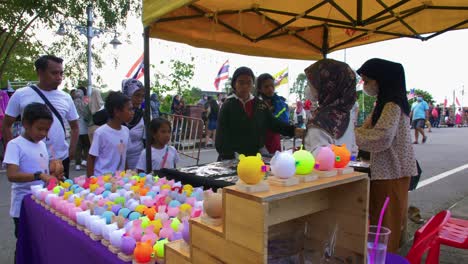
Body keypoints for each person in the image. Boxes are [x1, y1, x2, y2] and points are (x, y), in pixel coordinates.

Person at [355, 58, 418, 253]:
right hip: (384, 171)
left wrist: (351, 134)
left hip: (392, 171)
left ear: (381, 79)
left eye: (367, 80)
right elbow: (365, 128)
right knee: (379, 219)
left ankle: (384, 257)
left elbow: (381, 137)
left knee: (385, 225)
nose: (365, 85)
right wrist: (353, 132)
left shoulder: (392, 105)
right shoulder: (381, 104)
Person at [3, 55, 79, 179]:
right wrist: (13, 154)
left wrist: (70, 153)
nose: (59, 77)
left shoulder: (66, 97)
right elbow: (6, 125)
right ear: (40, 72)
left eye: (61, 73)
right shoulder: (21, 94)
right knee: (32, 194)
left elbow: (75, 127)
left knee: (59, 196)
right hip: (29, 158)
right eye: (54, 73)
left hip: (60, 160)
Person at [215, 67, 304, 160]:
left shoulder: (259, 104)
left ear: (253, 84)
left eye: (249, 82)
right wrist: (229, 156)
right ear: (234, 84)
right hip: (233, 157)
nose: (245, 86)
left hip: (256, 157)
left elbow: (274, 124)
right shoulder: (227, 105)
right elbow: (221, 137)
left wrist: (294, 130)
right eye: (241, 82)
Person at [4, 103, 63, 239]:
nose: (43, 133)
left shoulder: (41, 144)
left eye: (47, 130)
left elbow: (43, 171)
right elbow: (12, 175)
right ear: (26, 124)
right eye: (39, 129)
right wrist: (40, 176)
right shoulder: (15, 145)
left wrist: (54, 175)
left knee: (38, 241)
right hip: (23, 206)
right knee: (24, 244)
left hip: (40, 203)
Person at [302, 59, 358, 157]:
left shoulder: (320, 121)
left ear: (327, 85)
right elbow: (353, 151)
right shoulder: (347, 114)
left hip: (322, 171)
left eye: (312, 83)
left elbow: (319, 158)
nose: (309, 87)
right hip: (345, 170)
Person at [87, 92, 133, 177]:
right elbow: (91, 158)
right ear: (117, 112)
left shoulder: (126, 131)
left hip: (120, 180)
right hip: (102, 181)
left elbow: (124, 155)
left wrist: (128, 175)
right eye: (129, 109)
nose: (132, 113)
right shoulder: (101, 133)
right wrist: (90, 181)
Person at [256, 73, 289, 154]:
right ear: (259, 89)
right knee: (263, 166)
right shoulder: (255, 104)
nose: (270, 89)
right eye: (266, 87)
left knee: (276, 164)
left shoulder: (280, 102)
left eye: (272, 86)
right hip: (260, 144)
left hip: (275, 140)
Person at [122, 79, 146, 169]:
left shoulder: (143, 114)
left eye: (142, 96)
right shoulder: (117, 114)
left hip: (138, 160)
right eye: (136, 95)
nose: (140, 99)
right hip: (118, 161)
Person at [73, 89, 90, 171]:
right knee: (86, 145)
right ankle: (85, 160)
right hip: (85, 128)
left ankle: (77, 164)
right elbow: (87, 115)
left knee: (78, 147)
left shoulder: (72, 104)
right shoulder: (85, 104)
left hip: (75, 129)